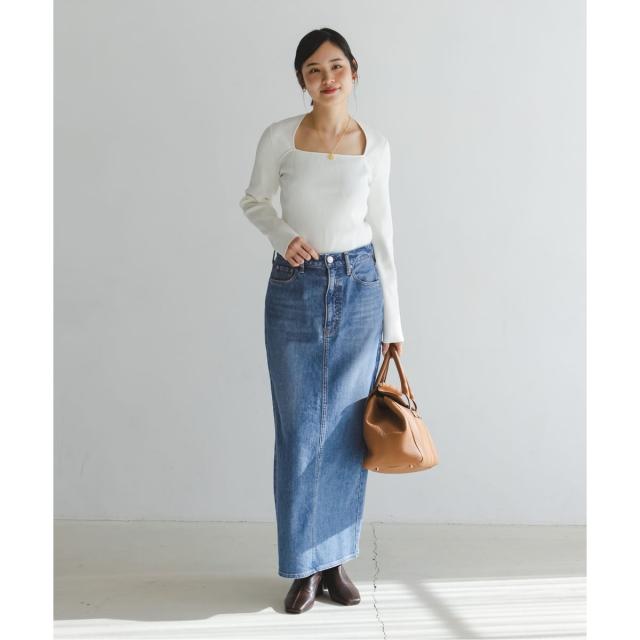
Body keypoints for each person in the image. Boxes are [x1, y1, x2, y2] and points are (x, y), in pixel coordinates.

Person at [239, 27, 405, 614]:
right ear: (302, 81)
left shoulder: (375, 145)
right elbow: (254, 199)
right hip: (296, 288)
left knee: (345, 429)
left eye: (336, 66)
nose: (327, 78)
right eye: (314, 69)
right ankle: (303, 567)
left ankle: (335, 562)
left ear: (354, 71)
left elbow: (382, 232)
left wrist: (394, 326)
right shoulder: (280, 137)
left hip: (359, 289)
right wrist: (284, 237)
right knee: (299, 428)